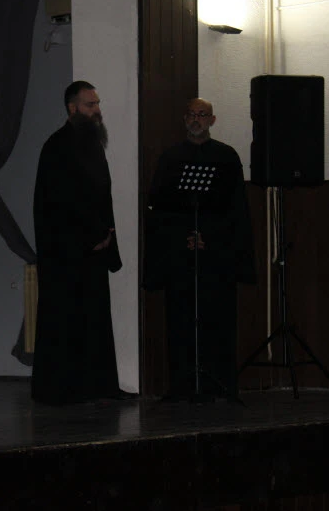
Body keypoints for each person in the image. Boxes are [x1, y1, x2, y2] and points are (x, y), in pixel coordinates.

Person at [145, 98, 256, 401]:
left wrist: (210, 239)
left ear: (212, 120)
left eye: (202, 115)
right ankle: (182, 383)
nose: (196, 120)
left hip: (216, 257)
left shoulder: (226, 157)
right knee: (181, 318)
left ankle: (218, 382)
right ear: (185, 119)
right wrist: (185, 237)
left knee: (217, 318)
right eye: (192, 115)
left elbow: (235, 211)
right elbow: (160, 209)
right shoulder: (170, 158)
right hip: (180, 256)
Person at [31, 80, 125, 405]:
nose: (97, 110)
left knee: (94, 320)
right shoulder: (56, 147)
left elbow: (101, 195)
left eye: (97, 104)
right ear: (72, 108)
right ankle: (63, 390)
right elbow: (61, 202)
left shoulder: (92, 144)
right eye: (90, 105)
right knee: (66, 320)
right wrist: (91, 236)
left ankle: (99, 387)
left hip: (94, 250)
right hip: (66, 254)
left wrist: (107, 234)